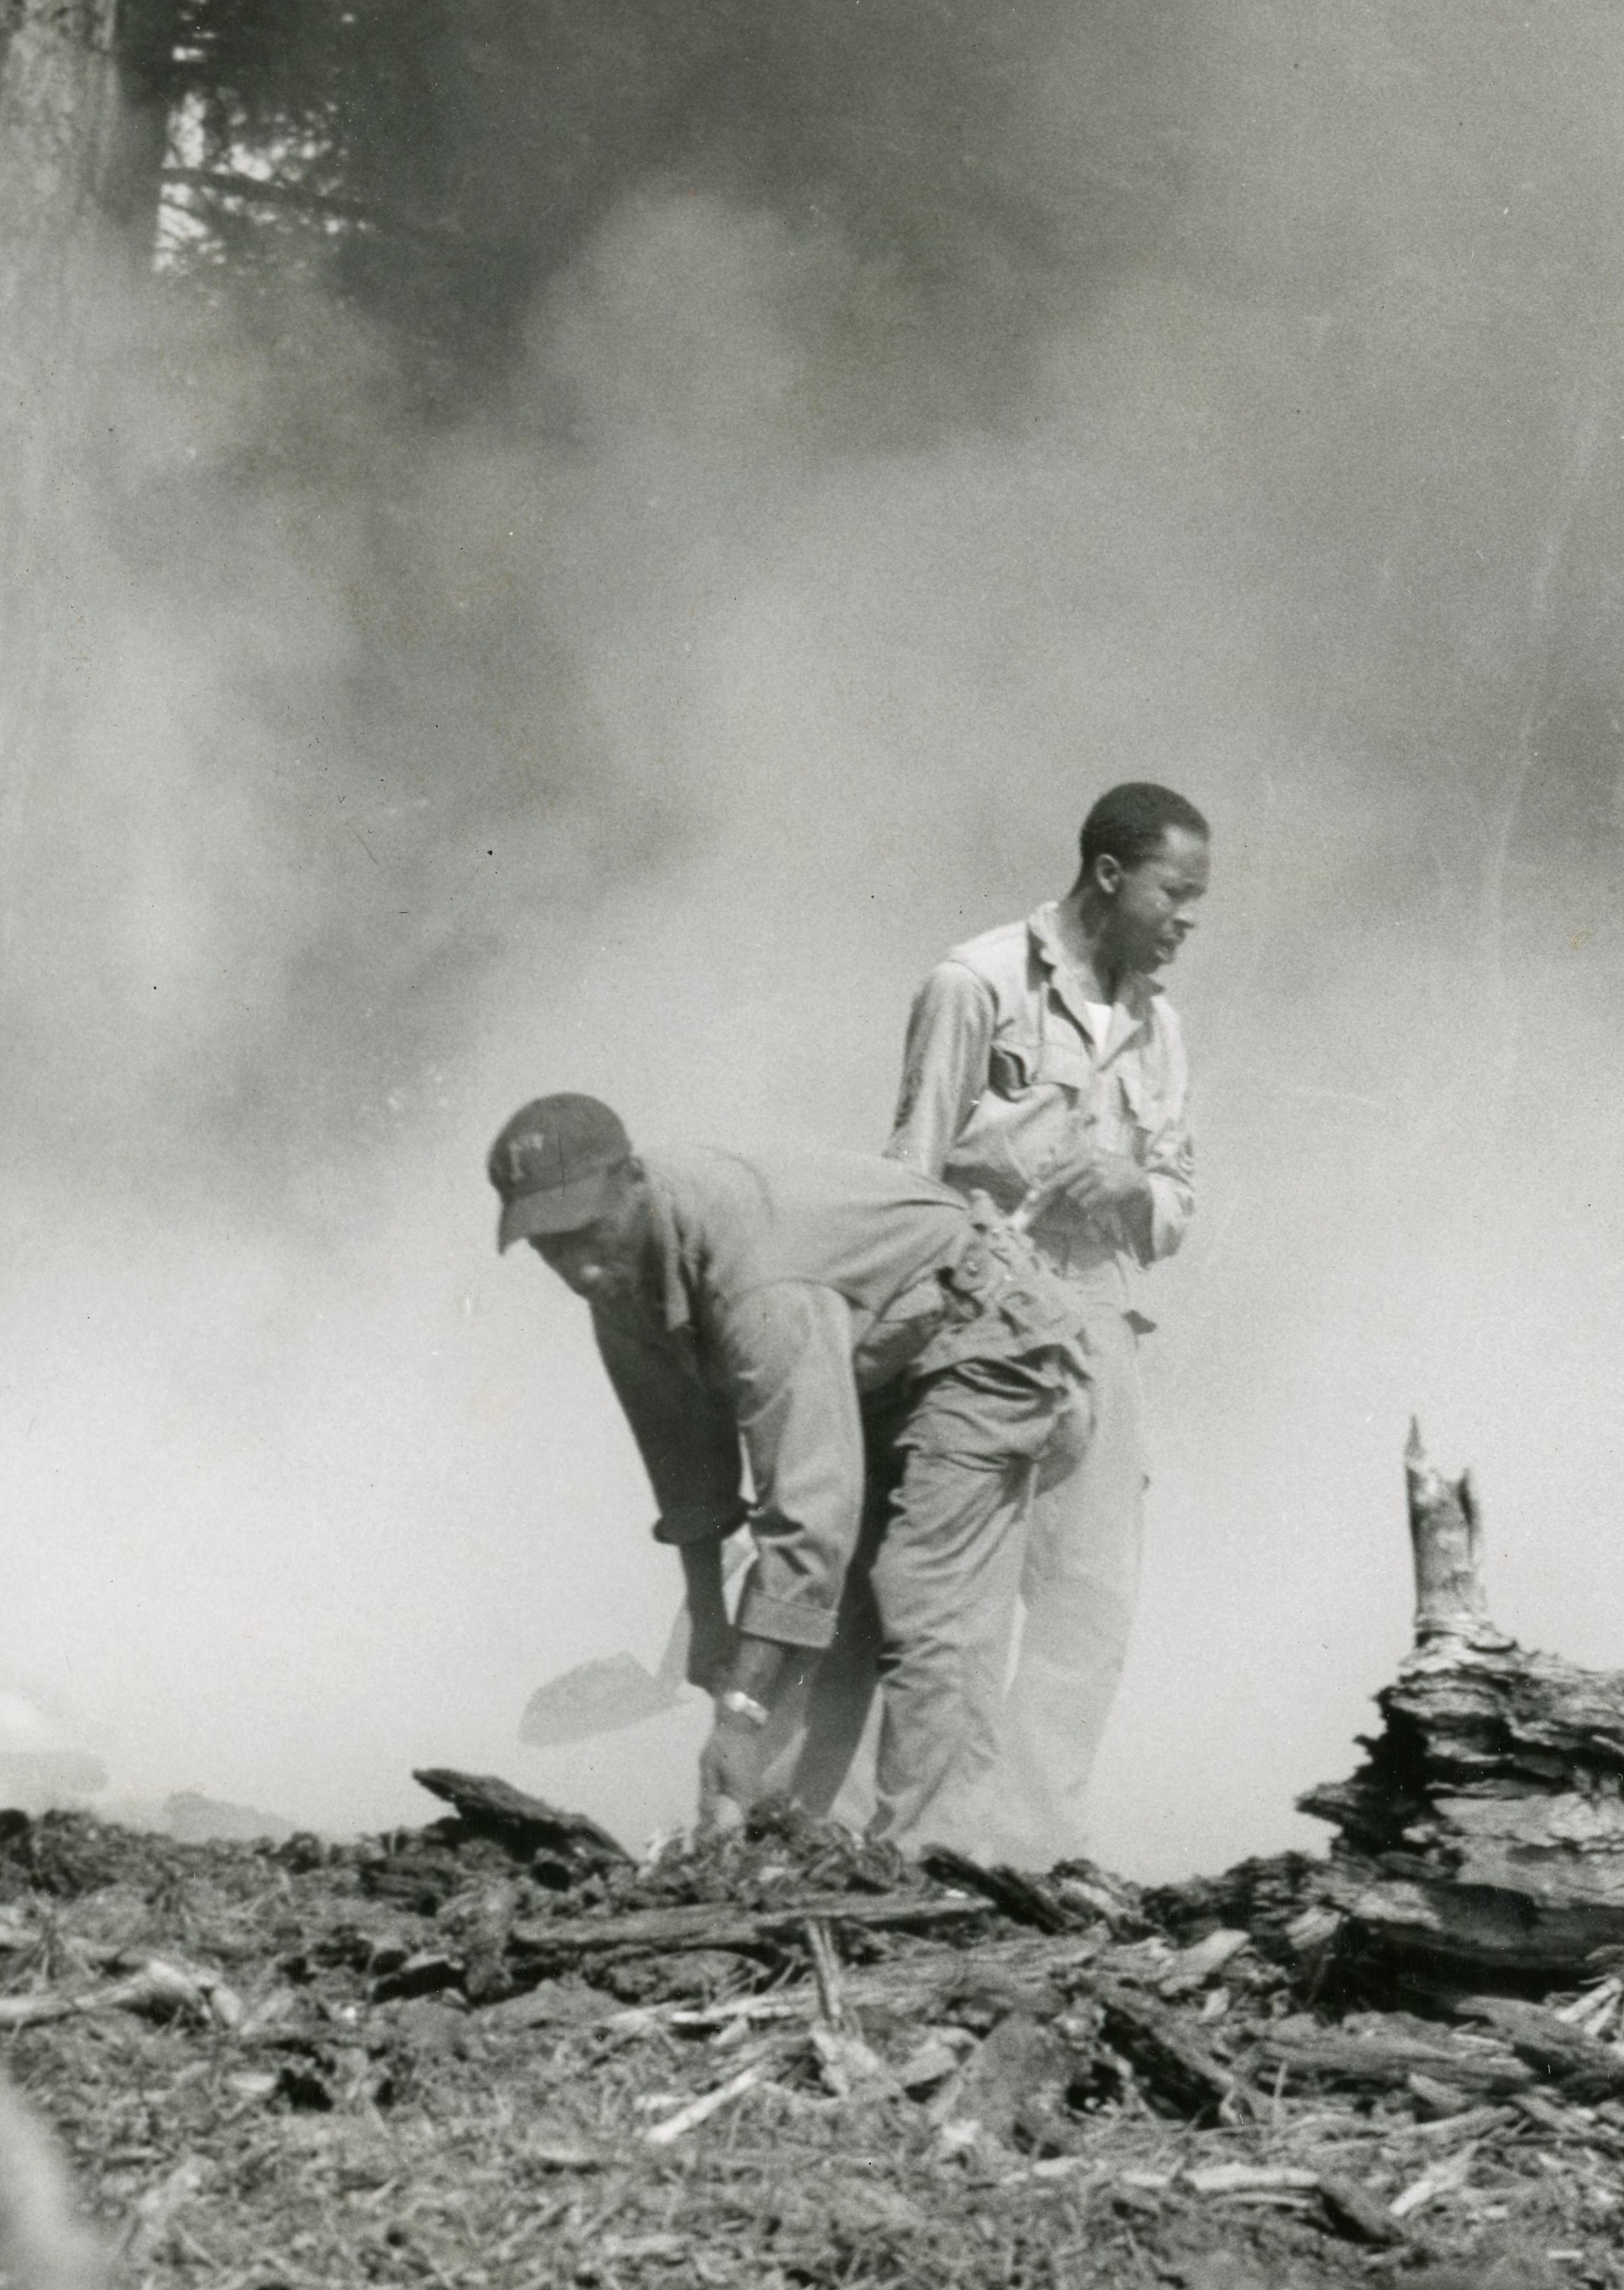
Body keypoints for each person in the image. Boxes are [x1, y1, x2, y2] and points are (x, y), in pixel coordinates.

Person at [487, 1093, 1094, 1852]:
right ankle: (809, 1854)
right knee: (808, 1637)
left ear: (633, 1181)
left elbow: (809, 1522)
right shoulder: (617, 1279)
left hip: (986, 1337)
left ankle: (939, 1867)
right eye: (549, 1246)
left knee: (922, 1605)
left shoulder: (754, 1276)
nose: (578, 1266)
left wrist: (739, 1710)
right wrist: (709, 1616)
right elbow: (687, 1473)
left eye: (586, 1232)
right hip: (877, 1364)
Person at [886, 780, 1202, 1863]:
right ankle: (929, 1844)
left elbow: (1175, 1205)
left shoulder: (1162, 1029)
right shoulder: (974, 984)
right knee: (959, 1602)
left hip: (1103, 1325)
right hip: (980, 1318)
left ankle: (1032, 1844)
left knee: (1090, 1603)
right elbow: (907, 1182)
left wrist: (1127, 1186)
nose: (1187, 921)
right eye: (1176, 892)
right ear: (1110, 876)